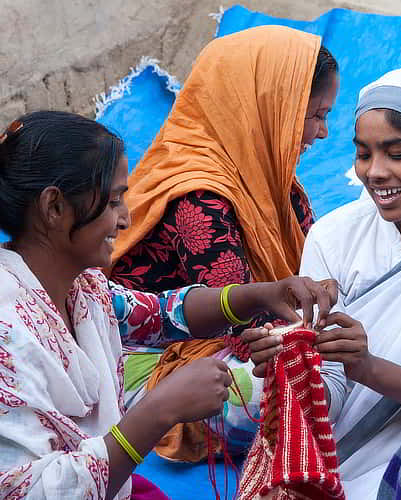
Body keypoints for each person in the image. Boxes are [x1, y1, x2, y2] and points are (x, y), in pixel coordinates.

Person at [0, 111, 338, 499]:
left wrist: (262, 294)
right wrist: (159, 411)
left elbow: (159, 314)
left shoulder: (83, 288)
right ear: (54, 207)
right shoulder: (8, 332)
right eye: (112, 202)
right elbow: (26, 491)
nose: (126, 219)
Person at [242, 67, 401, 499]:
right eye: (364, 154)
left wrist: (370, 369)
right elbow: (330, 387)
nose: (375, 172)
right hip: (327, 453)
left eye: (398, 154)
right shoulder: (338, 236)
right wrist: (292, 368)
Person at [107, 25, 339, 459]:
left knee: (341, 361)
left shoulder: (267, 175)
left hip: (243, 337)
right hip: (154, 354)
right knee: (294, 395)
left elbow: (311, 266)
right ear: (272, 109)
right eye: (315, 115)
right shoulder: (201, 197)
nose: (322, 133)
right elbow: (239, 324)